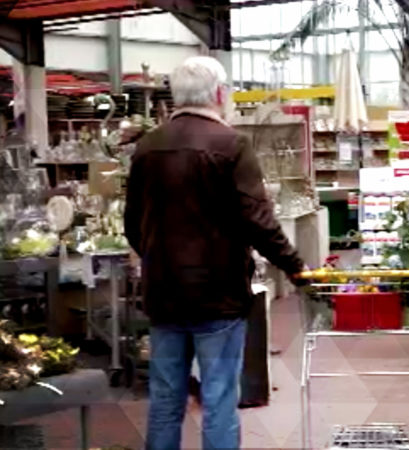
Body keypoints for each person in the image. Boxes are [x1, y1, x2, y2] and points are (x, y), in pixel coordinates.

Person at [124, 56, 307, 450]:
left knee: (165, 399)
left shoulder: (147, 146)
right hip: (218, 296)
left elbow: (132, 224)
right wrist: (294, 266)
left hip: (164, 296)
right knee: (220, 397)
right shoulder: (232, 145)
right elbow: (257, 220)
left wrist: (159, 259)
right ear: (220, 93)